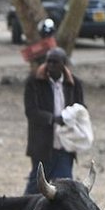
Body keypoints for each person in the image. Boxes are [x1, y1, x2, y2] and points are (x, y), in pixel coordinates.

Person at [23, 47, 85, 195]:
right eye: (48, 61)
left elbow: (81, 108)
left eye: (55, 62)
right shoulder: (34, 82)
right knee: (36, 188)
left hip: (65, 144)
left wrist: (71, 118)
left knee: (64, 190)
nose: (50, 65)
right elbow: (31, 111)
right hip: (42, 145)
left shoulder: (74, 83)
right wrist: (53, 119)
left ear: (63, 64)